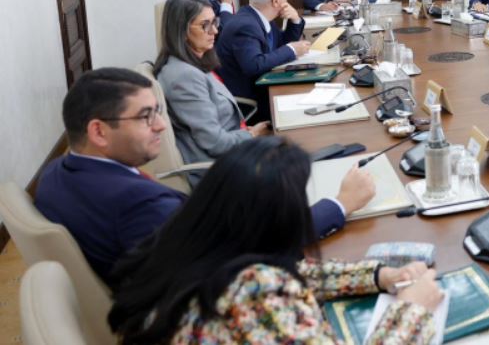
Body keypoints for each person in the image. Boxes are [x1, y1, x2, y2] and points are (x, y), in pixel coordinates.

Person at [33, 68, 375, 287]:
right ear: (98, 131)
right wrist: (339, 205)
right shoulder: (140, 206)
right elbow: (247, 254)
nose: (161, 126)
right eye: (146, 116)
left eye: (158, 112)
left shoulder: (55, 175)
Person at [109, 138, 443, 344]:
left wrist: (378, 275)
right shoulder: (252, 293)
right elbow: (268, 284)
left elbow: (293, 274)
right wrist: (412, 309)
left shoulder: (190, 246)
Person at [155, 0, 267, 175]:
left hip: (237, 149)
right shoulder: (184, 77)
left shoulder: (195, 63)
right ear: (182, 30)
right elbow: (215, 143)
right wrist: (252, 134)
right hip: (222, 169)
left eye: (215, 22)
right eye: (205, 25)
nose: (214, 31)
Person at [215, 0, 310, 104]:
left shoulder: (258, 16)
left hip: (265, 84)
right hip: (252, 98)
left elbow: (280, 45)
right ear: (276, 0)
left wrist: (295, 20)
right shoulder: (245, 26)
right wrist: (291, 49)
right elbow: (254, 65)